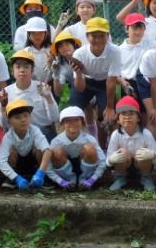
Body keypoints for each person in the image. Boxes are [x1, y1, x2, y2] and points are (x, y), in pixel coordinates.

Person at [71, 17, 122, 148]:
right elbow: (80, 88)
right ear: (87, 36)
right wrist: (78, 73)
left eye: (102, 36)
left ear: (108, 36)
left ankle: (102, 147)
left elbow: (111, 81)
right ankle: (76, 144)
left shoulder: (115, 51)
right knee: (73, 111)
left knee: (106, 116)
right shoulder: (79, 53)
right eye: (94, 36)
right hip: (85, 81)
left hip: (105, 83)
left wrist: (109, 107)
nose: (98, 40)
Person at [0, 50, 59, 142]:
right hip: (17, 133)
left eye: (26, 67)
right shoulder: (6, 92)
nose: (22, 70)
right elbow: (4, 124)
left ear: (32, 71)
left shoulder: (42, 87)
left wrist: (48, 98)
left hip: (42, 131)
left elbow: (55, 118)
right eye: (18, 67)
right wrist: (2, 106)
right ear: (12, 71)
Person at [106, 96, 156, 192]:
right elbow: (107, 161)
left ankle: (146, 178)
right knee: (122, 152)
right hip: (122, 167)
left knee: (142, 152)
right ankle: (120, 178)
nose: (127, 117)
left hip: (142, 167)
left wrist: (152, 155)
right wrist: (111, 159)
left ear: (138, 118)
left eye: (131, 114)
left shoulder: (146, 134)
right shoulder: (116, 135)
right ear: (118, 119)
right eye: (123, 114)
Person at [0, 98, 52, 190]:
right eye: (17, 117)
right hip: (17, 166)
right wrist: (16, 178)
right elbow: (1, 162)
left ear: (30, 117)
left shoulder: (35, 130)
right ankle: (12, 178)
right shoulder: (8, 137)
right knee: (11, 151)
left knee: (40, 149)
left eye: (26, 116)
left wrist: (41, 172)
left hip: (34, 164)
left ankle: (43, 177)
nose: (23, 120)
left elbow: (47, 151)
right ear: (9, 121)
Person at [48, 106, 106, 190]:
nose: (73, 123)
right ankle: (70, 181)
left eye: (76, 120)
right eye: (68, 120)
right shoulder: (56, 141)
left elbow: (102, 161)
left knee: (89, 148)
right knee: (56, 151)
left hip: (85, 168)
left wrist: (93, 179)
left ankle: (84, 180)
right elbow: (47, 165)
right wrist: (59, 181)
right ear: (62, 124)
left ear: (82, 122)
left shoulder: (89, 139)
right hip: (64, 171)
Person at [118, 13, 150, 100]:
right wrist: (122, 81)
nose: (138, 31)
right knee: (129, 107)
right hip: (127, 83)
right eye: (134, 28)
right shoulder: (119, 49)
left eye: (141, 28)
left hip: (144, 82)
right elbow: (115, 71)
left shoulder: (148, 45)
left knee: (144, 108)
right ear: (126, 29)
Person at [49, 31, 82, 99]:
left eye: (67, 44)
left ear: (74, 45)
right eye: (60, 46)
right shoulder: (61, 66)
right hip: (77, 90)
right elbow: (58, 93)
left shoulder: (83, 55)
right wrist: (56, 74)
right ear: (58, 51)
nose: (64, 47)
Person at [23, 17, 54, 84]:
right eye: (33, 33)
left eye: (40, 33)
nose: (37, 36)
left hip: (51, 84)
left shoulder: (51, 50)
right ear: (28, 34)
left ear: (46, 34)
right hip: (31, 85)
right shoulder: (25, 52)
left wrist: (52, 63)